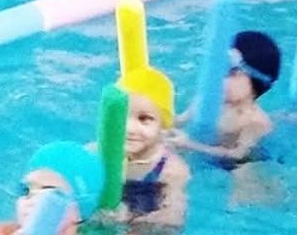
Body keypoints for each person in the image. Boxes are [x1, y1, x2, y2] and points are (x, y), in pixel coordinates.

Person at [181, 30, 281, 162]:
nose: (222, 79)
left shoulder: (255, 121)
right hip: (206, 152)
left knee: (244, 174)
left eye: (233, 73)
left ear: (256, 80)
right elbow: (179, 121)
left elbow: (238, 154)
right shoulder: (205, 101)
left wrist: (190, 145)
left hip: (243, 162)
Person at [116, 66, 190, 225]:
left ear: (163, 124)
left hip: (149, 228)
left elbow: (175, 217)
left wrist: (132, 220)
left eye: (144, 119)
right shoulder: (100, 153)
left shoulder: (172, 170)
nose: (130, 129)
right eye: (122, 115)